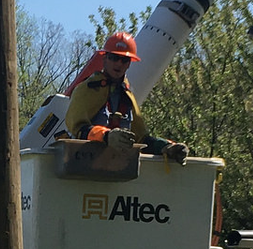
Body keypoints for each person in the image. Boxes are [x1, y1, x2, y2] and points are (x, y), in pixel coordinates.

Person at [61, 33, 187, 162]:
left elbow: (141, 138)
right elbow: (77, 129)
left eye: (124, 60)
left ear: (129, 64)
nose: (119, 64)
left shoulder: (127, 96)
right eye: (114, 58)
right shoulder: (87, 89)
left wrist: (166, 146)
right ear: (105, 59)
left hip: (118, 168)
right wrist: (106, 136)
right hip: (84, 163)